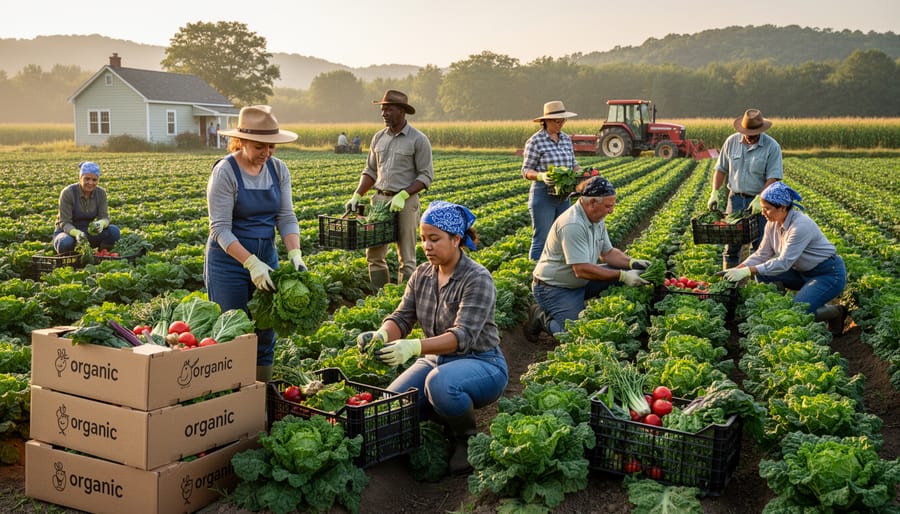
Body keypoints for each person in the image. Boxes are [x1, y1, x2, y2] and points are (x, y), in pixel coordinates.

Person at [356, 201, 508, 474]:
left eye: (435, 239)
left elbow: (463, 336)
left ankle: (465, 438)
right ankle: (435, 419)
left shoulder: (477, 278)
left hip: (481, 362)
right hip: (435, 359)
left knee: (441, 384)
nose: (426, 246)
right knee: (390, 407)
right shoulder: (422, 274)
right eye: (424, 239)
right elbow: (402, 317)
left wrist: (414, 346)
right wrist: (381, 334)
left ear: (456, 239)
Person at [205, 105, 307, 382]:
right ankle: (231, 397)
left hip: (267, 257)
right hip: (230, 262)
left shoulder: (278, 169)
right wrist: (250, 263)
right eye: (260, 146)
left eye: (272, 146)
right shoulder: (225, 172)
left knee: (265, 331)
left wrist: (295, 253)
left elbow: (286, 216)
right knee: (233, 331)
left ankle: (260, 398)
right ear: (242, 141)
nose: (267, 152)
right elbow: (220, 229)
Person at [525, 176, 650, 341]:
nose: (611, 211)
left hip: (580, 282)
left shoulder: (596, 218)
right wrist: (622, 275)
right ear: (592, 203)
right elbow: (581, 269)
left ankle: (593, 308)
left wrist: (632, 262)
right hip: (555, 288)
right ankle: (540, 316)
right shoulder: (572, 224)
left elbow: (608, 253)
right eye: (608, 206)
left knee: (627, 270)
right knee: (575, 334)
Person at [722, 181, 848, 334]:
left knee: (799, 310)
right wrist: (739, 268)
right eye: (763, 209)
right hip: (800, 272)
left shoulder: (800, 226)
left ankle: (836, 312)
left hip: (827, 274)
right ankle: (778, 308)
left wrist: (748, 271)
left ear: (782, 207)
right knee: (763, 275)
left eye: (767, 209)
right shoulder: (772, 223)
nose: (763, 213)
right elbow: (762, 254)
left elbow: (783, 263)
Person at [345, 90, 434, 290]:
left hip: (405, 202)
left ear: (402, 112)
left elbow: (426, 175)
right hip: (379, 201)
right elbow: (370, 170)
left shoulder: (418, 140)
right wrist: (357, 194)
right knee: (374, 255)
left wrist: (403, 195)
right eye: (383, 109)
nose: (383, 113)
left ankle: (405, 303)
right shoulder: (378, 138)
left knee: (407, 257)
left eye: (389, 109)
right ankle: (382, 298)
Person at [708, 108, 783, 269]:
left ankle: (758, 287)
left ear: (761, 131)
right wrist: (714, 192)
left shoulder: (771, 146)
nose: (750, 137)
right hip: (735, 199)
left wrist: (760, 198)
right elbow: (720, 169)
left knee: (760, 246)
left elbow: (774, 177)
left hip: (761, 203)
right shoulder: (731, 142)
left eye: (754, 133)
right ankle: (729, 283)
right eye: (747, 133)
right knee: (731, 245)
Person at [522, 100, 582, 261]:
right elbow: (526, 170)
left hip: (564, 196)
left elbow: (573, 164)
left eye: (563, 120)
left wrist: (584, 174)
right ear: (546, 121)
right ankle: (534, 275)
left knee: (563, 236)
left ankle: (555, 273)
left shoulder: (566, 139)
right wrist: (541, 176)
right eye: (557, 121)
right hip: (543, 196)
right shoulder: (535, 141)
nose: (561, 123)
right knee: (542, 239)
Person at [52, 161, 121, 254]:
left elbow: (104, 217)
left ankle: (101, 255)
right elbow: (64, 222)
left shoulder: (101, 193)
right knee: (65, 242)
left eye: (94, 180)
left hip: (88, 232)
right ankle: (73, 258)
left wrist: (101, 223)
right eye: (87, 179)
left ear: (98, 180)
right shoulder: (68, 193)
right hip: (67, 233)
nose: (90, 183)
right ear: (80, 178)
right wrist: (76, 233)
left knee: (114, 231)